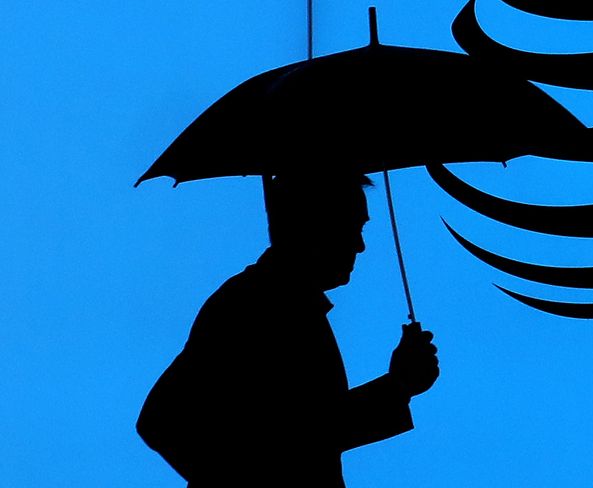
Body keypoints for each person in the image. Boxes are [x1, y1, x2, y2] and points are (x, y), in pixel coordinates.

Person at [138, 172, 440, 486]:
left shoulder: (281, 303)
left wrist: (398, 386)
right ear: (313, 227)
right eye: (350, 227)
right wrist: (398, 387)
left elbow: (305, 429)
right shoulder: (254, 305)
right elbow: (160, 421)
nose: (360, 245)